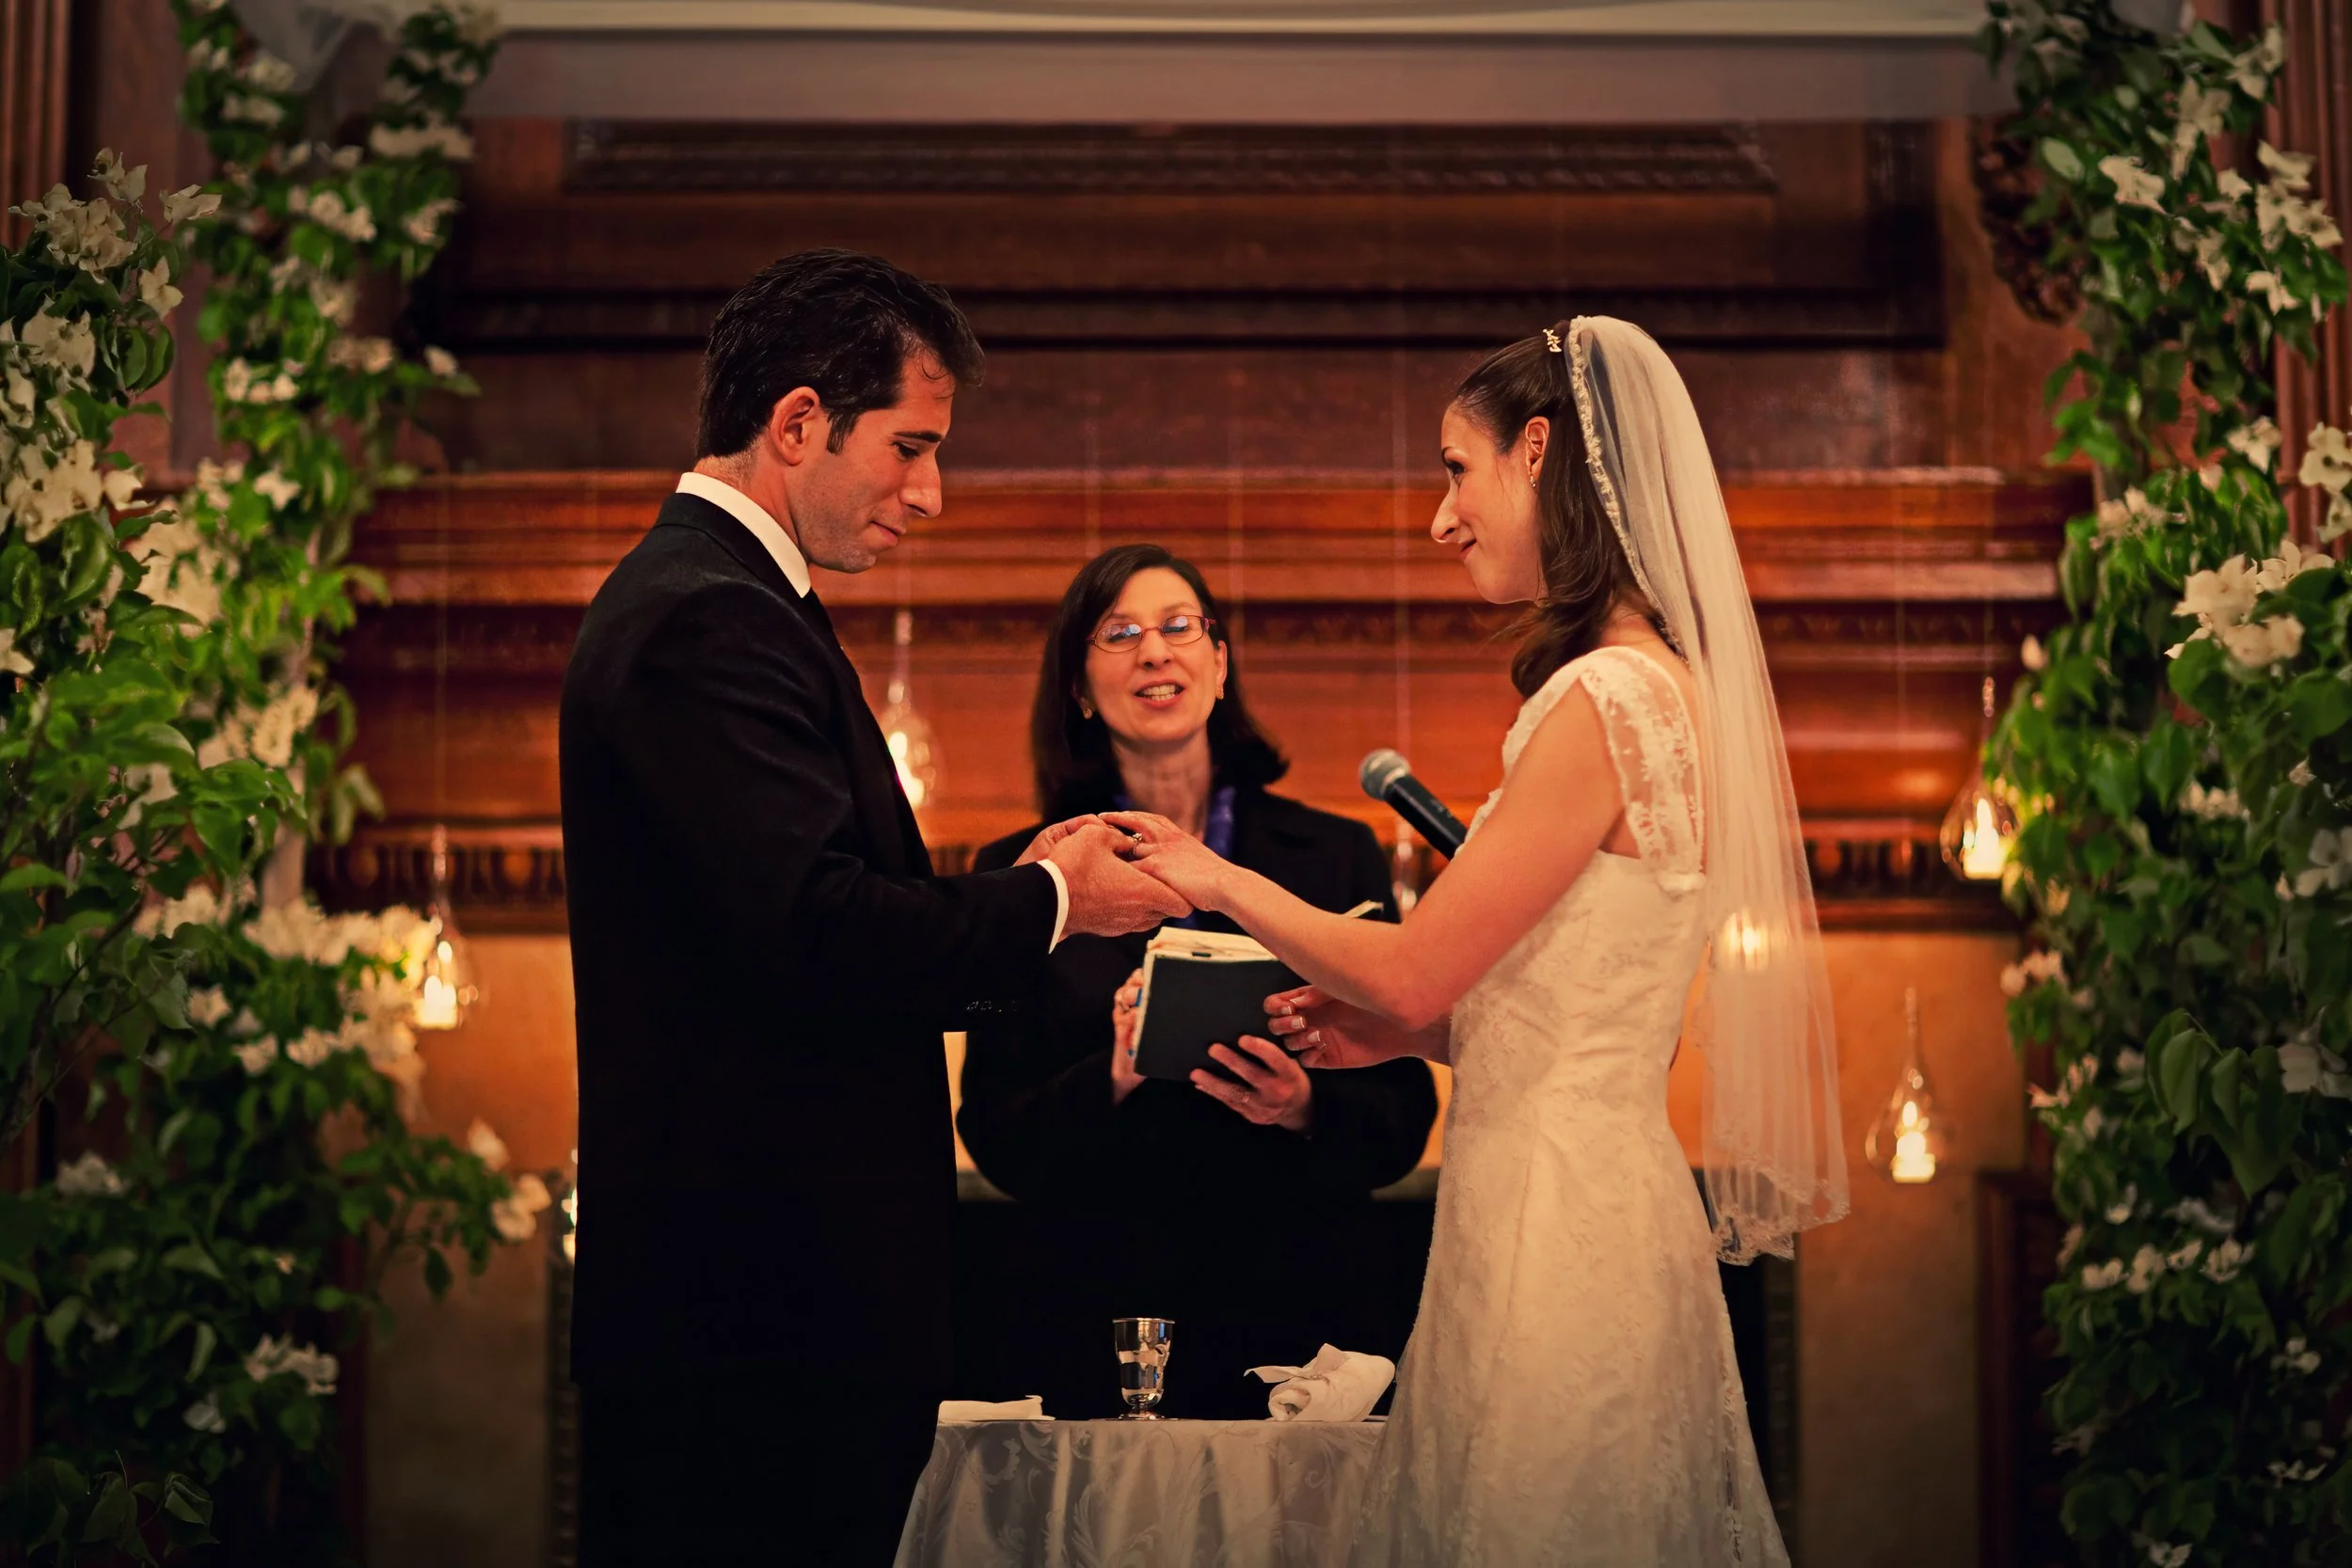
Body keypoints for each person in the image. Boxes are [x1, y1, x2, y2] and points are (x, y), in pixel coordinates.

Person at [1117, 318, 1849, 1564]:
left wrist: (1212, 875)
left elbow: (1416, 958)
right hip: (1596, 1191)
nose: (1442, 518)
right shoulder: (1674, 690)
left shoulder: (1603, 695)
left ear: (1540, 451)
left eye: (1458, 469)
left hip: (1549, 1228)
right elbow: (1583, 1005)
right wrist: (1388, 1033)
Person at [559, 250, 1187, 1567]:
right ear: (797, 422)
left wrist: (1030, 884)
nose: (932, 491)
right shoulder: (702, 618)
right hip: (751, 1314)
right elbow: (820, 931)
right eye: (909, 446)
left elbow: (807, 914)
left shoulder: (729, 604)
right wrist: (1058, 896)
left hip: (773, 1311)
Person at [958, 545, 1438, 1418]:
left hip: (1294, 1307)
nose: (1155, 650)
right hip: (1089, 1311)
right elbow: (996, 1133)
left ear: (1220, 665)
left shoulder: (1333, 858)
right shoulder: (1024, 875)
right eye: (1121, 633)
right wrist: (1115, 1070)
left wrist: (1302, 1103)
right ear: (1077, 686)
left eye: (1181, 627)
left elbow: (1404, 1112)